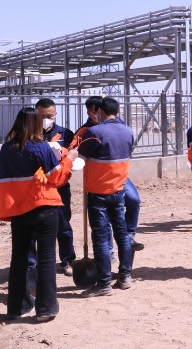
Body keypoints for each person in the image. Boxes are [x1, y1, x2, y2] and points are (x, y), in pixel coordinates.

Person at [0, 107, 76, 322]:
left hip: (19, 209)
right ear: (36, 124)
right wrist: (69, 159)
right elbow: (57, 178)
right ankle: (46, 309)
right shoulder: (41, 147)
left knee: (19, 258)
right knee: (47, 258)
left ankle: (16, 308)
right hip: (44, 208)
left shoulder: (6, 149)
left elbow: (2, 178)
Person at [78, 97, 134, 296]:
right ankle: (125, 276)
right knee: (122, 234)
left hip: (98, 193)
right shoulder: (128, 131)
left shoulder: (94, 132)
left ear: (100, 111)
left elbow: (79, 159)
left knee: (101, 238)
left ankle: (104, 283)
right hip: (118, 190)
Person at [77, 96, 144, 253]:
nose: (97, 114)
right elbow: (79, 154)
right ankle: (109, 251)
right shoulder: (86, 131)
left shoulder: (121, 127)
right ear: (90, 113)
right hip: (100, 180)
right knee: (104, 218)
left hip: (119, 176)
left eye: (98, 111)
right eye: (93, 111)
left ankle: (130, 235)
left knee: (134, 200)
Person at [34, 98, 77, 276]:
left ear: (55, 115)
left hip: (60, 186)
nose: (46, 119)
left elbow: (74, 155)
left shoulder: (65, 133)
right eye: (42, 116)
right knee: (36, 226)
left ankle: (67, 260)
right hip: (38, 187)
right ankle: (38, 263)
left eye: (50, 116)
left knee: (63, 224)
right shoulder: (30, 134)